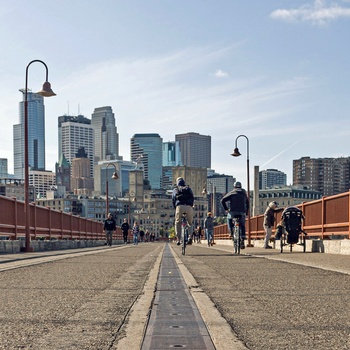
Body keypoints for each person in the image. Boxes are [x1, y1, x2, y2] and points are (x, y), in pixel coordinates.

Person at [220, 181, 249, 249]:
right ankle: (243, 238)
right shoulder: (244, 194)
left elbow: (222, 200)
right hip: (242, 211)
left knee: (229, 218)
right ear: (241, 186)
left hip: (233, 211)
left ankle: (231, 232)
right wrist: (246, 212)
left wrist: (226, 209)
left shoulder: (232, 192)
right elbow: (247, 203)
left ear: (234, 186)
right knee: (242, 225)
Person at [172, 177, 194, 245]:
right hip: (189, 206)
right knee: (190, 223)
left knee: (177, 222)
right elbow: (192, 197)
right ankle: (190, 237)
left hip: (180, 206)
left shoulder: (176, 189)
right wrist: (191, 205)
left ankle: (178, 239)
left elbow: (173, 199)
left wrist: (175, 208)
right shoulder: (188, 189)